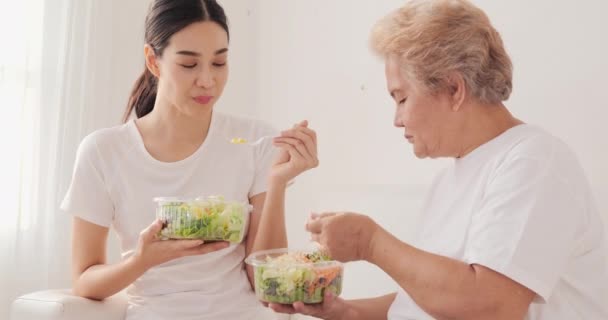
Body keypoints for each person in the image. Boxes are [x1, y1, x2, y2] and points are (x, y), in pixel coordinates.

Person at [270, 0, 608, 319]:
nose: (397, 119)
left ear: (453, 89)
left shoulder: (534, 161)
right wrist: (349, 312)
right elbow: (438, 298)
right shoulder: (450, 180)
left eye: (401, 98)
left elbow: (492, 306)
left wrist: (368, 241)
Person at [61, 1, 319, 319]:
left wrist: (277, 182)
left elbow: (263, 284)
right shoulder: (104, 151)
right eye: (188, 65)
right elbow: (85, 281)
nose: (207, 80)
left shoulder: (255, 140)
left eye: (219, 63)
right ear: (153, 61)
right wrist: (141, 260)